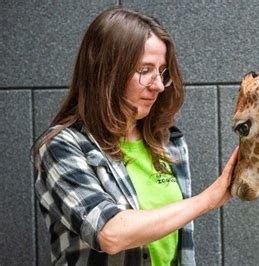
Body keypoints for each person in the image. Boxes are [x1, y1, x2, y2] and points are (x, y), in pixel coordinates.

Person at [32, 7, 239, 266]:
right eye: (144, 70)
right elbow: (110, 233)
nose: (159, 85)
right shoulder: (61, 148)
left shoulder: (168, 144)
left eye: (162, 71)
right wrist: (208, 199)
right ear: (106, 72)